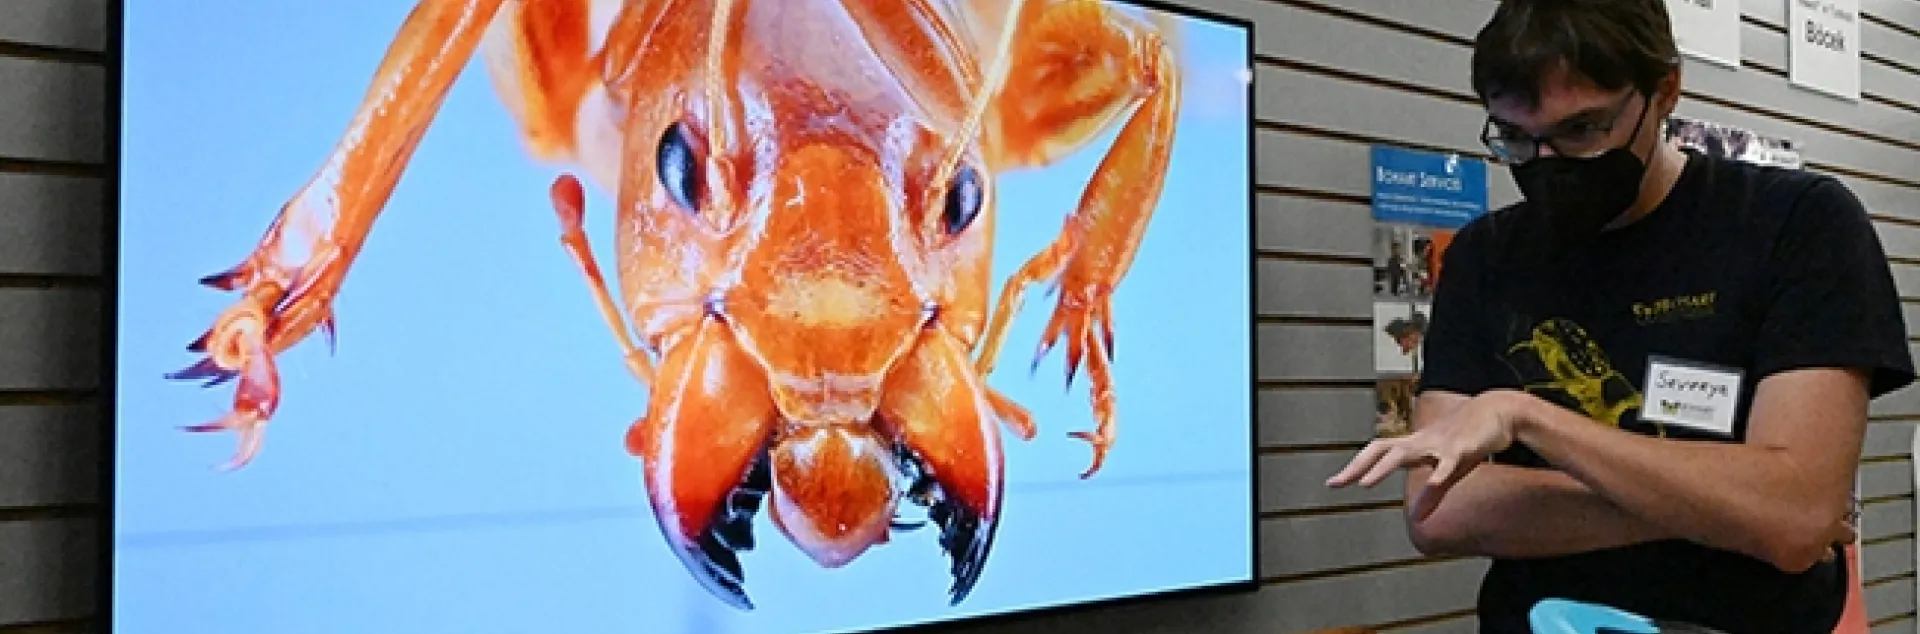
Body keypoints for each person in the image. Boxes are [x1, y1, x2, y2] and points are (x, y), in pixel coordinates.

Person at [1323, 1, 1916, 633]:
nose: (1548, 162)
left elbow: (1794, 518)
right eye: (1516, 139)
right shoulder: (1486, 256)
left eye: (1583, 130)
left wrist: (1526, 417)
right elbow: (1440, 510)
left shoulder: (1797, 224)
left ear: (1664, 92)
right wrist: (1723, 508)